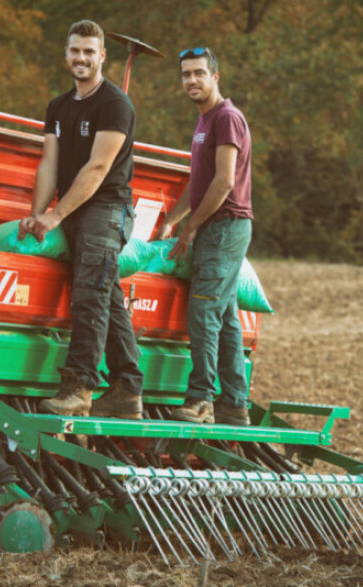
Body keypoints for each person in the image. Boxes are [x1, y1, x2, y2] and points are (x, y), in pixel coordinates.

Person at [19, 20, 143, 419]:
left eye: (90, 52)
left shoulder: (115, 104)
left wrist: (55, 215)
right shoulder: (57, 107)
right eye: (76, 50)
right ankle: (127, 389)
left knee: (89, 291)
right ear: (66, 53)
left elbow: (98, 167)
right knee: (106, 294)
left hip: (108, 209)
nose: (82, 58)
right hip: (73, 209)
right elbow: (49, 164)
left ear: (102, 55)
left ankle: (80, 388)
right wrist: (37, 214)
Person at [157, 47, 253, 426]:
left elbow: (224, 181)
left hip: (224, 227)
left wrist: (192, 226)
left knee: (203, 311)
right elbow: (197, 182)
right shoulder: (205, 120)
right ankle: (233, 403)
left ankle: (200, 399)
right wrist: (172, 219)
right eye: (186, 74)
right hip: (217, 226)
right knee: (225, 316)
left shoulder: (226, 118)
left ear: (216, 76)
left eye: (199, 73)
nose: (192, 80)